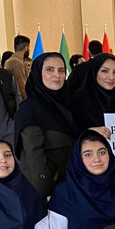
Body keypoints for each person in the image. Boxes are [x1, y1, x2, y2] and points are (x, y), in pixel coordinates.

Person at [14, 53, 77, 197]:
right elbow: (33, 154)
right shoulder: (31, 108)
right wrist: (45, 189)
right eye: (49, 70)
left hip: (69, 185)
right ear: (38, 73)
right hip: (48, 191)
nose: (57, 75)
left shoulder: (66, 104)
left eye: (61, 70)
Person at [70, 53, 115, 132]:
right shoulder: (79, 101)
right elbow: (72, 131)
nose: (111, 77)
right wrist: (89, 132)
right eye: (105, 71)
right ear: (94, 72)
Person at [2, 35, 30, 101]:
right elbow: (21, 85)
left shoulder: (12, 60)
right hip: (19, 99)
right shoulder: (16, 62)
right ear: (26, 47)